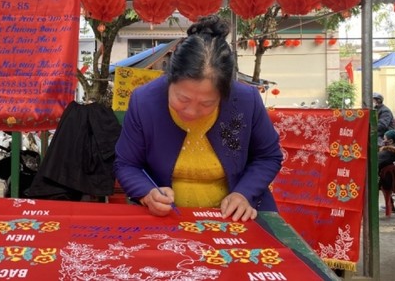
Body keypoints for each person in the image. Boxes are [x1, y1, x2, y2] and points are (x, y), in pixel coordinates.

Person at [114, 15, 283, 222]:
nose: (191, 112)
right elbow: (126, 163)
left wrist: (243, 194)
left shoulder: (247, 100)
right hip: (167, 217)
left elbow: (268, 156)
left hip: (234, 217)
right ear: (169, 79)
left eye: (207, 104)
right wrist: (148, 193)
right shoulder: (145, 101)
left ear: (224, 94)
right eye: (182, 99)